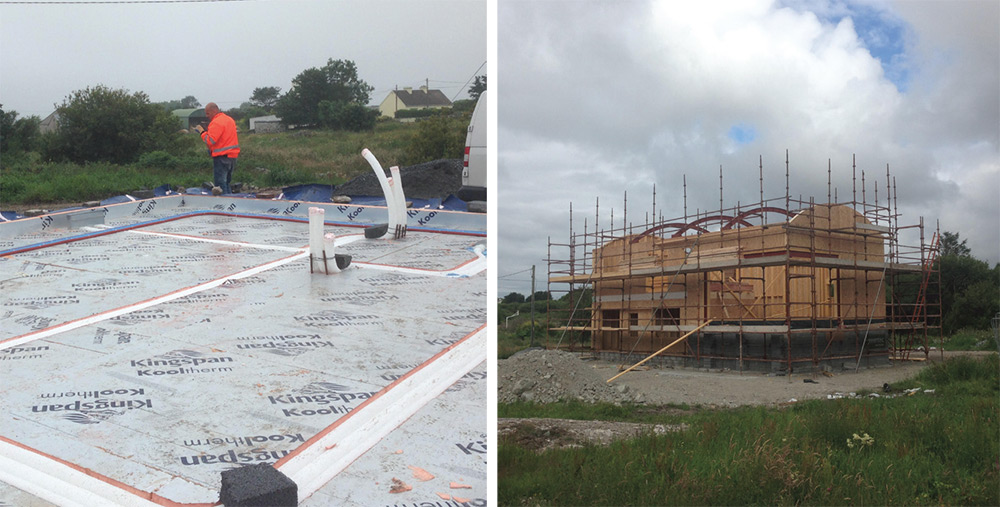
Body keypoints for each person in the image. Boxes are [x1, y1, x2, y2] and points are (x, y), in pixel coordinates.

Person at [193, 102, 240, 194]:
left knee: (220, 185)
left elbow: (210, 140)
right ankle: (230, 203)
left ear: (214, 111)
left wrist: (202, 131)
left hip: (222, 158)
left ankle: (223, 205)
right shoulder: (229, 120)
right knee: (226, 182)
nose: (207, 116)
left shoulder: (216, 122)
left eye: (208, 113)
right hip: (232, 157)